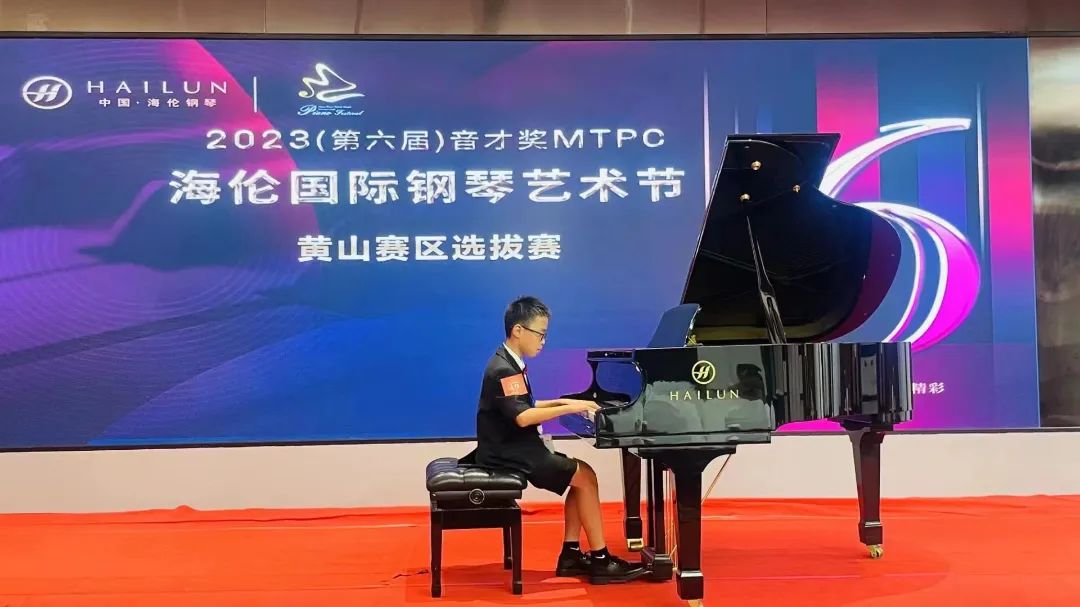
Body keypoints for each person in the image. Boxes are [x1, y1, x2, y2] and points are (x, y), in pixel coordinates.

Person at [474, 296, 646, 584]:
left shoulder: (508, 361)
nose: (543, 341)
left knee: (582, 477)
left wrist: (567, 401)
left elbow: (526, 404)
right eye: (540, 334)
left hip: (514, 446)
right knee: (586, 478)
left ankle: (571, 554)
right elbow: (523, 417)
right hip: (510, 452)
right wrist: (570, 408)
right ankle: (600, 559)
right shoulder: (503, 368)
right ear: (518, 330)